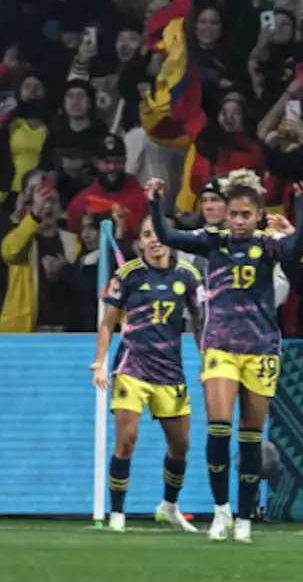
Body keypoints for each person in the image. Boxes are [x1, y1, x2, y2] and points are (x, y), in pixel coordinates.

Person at [145, 169, 303, 543]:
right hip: (220, 345)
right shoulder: (213, 240)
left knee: (251, 437)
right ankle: (222, 511)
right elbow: (170, 235)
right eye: (233, 214)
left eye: (245, 215)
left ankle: (245, 518)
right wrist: (155, 205)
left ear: (257, 216)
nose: (238, 221)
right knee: (219, 429)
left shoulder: (269, 245)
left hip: (262, 349)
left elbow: (297, 246)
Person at [90, 215, 204, 533]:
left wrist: (207, 359)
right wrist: (100, 362)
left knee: (180, 447)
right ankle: (117, 515)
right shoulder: (125, 275)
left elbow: (201, 322)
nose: (154, 240)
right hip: (132, 367)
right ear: (139, 242)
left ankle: (169, 506)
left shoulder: (189, 276)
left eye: (158, 234)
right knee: (126, 440)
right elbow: (106, 322)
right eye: (146, 235)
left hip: (170, 372)